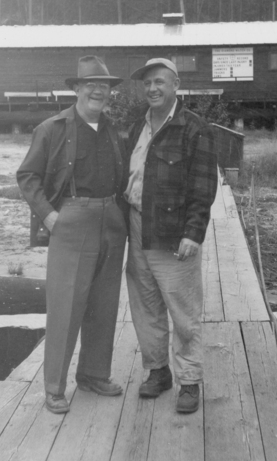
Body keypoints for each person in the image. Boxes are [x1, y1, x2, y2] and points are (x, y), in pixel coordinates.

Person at [17, 56, 127, 414]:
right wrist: (49, 216)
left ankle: (94, 374)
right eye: (91, 84)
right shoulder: (52, 128)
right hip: (72, 219)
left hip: (111, 217)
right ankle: (54, 388)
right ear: (77, 89)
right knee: (66, 304)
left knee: (104, 302)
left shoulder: (113, 128)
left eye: (105, 85)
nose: (99, 90)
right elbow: (27, 176)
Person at [125, 58, 218, 414]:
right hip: (137, 226)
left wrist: (193, 233)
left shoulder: (195, 128)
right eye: (147, 83)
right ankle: (158, 371)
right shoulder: (137, 126)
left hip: (172, 232)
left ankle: (190, 381)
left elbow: (203, 186)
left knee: (183, 310)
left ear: (176, 84)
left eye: (159, 82)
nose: (152, 89)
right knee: (145, 304)